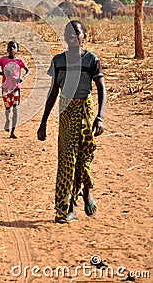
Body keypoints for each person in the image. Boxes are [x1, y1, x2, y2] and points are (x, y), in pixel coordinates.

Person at [37, 20, 106, 223]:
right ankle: (66, 209)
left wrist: (100, 117)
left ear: (84, 36)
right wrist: (43, 123)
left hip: (86, 111)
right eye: (68, 32)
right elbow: (53, 93)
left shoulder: (91, 59)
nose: (72, 35)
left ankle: (87, 190)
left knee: (84, 156)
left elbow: (101, 88)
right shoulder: (58, 61)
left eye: (76, 32)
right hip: (66, 112)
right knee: (67, 161)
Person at [0, 40, 29, 139]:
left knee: (16, 109)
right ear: (7, 49)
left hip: (16, 88)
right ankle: (7, 120)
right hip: (5, 88)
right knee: (8, 108)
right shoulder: (3, 60)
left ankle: (13, 131)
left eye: (14, 47)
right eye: (9, 47)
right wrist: (2, 74)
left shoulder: (20, 61)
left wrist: (23, 78)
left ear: (17, 50)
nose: (11, 49)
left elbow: (27, 70)